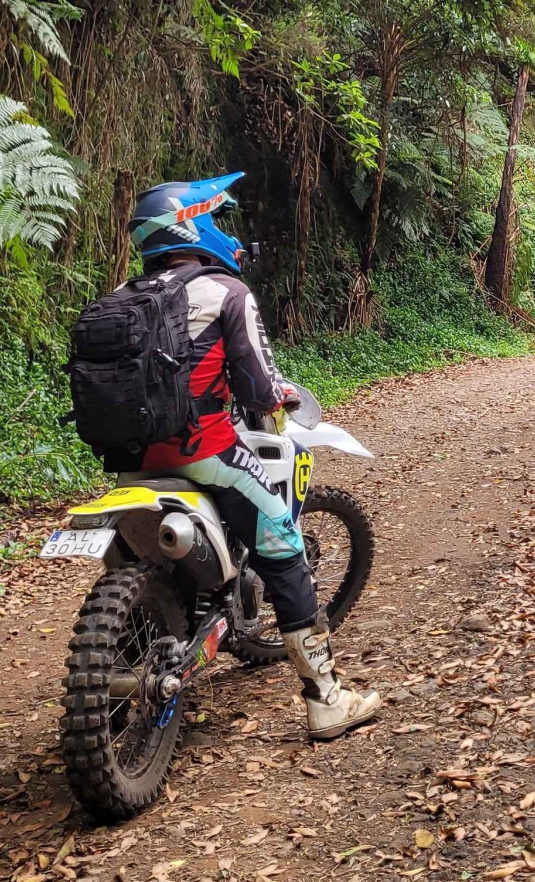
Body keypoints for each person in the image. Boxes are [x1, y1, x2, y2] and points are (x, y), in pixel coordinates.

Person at [113, 172, 380, 739]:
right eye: (216, 218)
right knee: (282, 542)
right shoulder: (225, 292)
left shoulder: (118, 299)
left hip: (129, 462)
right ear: (194, 226)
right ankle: (327, 699)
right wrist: (281, 396)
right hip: (204, 453)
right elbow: (258, 389)